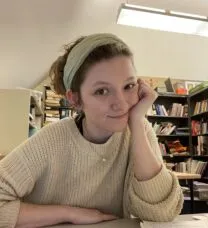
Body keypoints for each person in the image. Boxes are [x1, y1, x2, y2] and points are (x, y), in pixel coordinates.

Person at [0, 33, 183, 228]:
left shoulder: (139, 130)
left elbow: (161, 212)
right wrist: (70, 214)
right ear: (75, 99)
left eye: (129, 86)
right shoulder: (52, 139)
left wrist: (137, 123)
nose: (121, 104)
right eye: (102, 91)